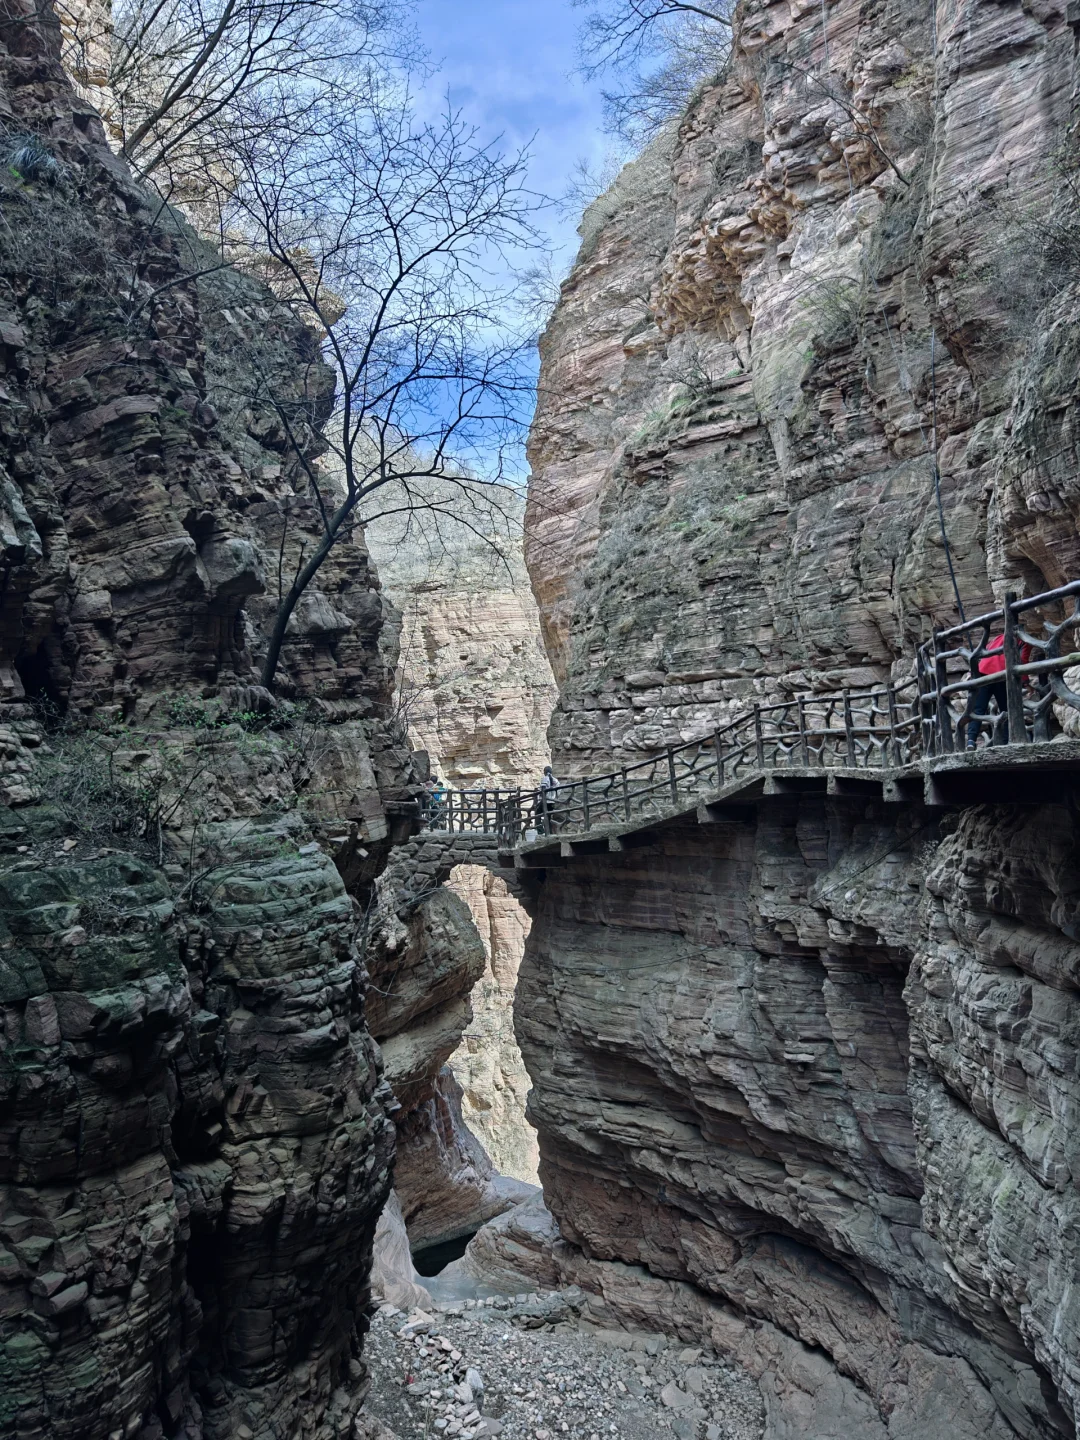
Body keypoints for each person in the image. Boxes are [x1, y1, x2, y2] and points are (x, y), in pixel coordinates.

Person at [966, 635, 1032, 748]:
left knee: (977, 709)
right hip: (1001, 674)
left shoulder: (999, 637)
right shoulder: (1025, 640)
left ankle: (971, 740)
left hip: (982, 673)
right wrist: (1026, 683)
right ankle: (1006, 741)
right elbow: (1023, 661)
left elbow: (985, 650)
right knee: (1006, 709)